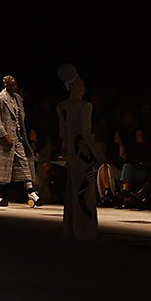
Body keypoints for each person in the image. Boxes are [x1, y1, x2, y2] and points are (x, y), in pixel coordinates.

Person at [55, 69, 101, 240]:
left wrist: (67, 153)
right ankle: (85, 230)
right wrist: (100, 156)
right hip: (84, 154)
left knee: (74, 190)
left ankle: (71, 228)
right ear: (75, 87)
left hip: (73, 153)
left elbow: (65, 135)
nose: (84, 88)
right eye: (82, 85)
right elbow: (86, 134)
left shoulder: (61, 107)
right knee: (85, 190)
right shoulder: (85, 106)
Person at [0, 76, 39, 207]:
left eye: (16, 85)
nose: (15, 87)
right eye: (13, 85)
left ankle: (30, 190)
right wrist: (4, 136)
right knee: (1, 168)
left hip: (18, 138)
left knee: (24, 162)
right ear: (6, 85)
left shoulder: (18, 99)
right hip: (4, 140)